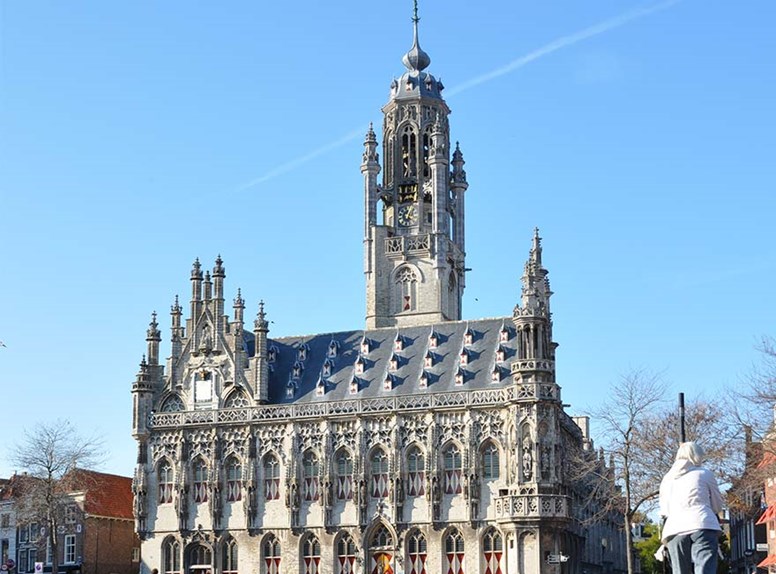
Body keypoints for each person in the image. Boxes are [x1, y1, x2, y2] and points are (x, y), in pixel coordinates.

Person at [659, 442, 723, 574]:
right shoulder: (705, 473)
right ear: (698, 456)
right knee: (705, 569)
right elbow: (717, 505)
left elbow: (664, 510)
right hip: (703, 523)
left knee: (679, 571)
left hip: (674, 528)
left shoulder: (667, 479)